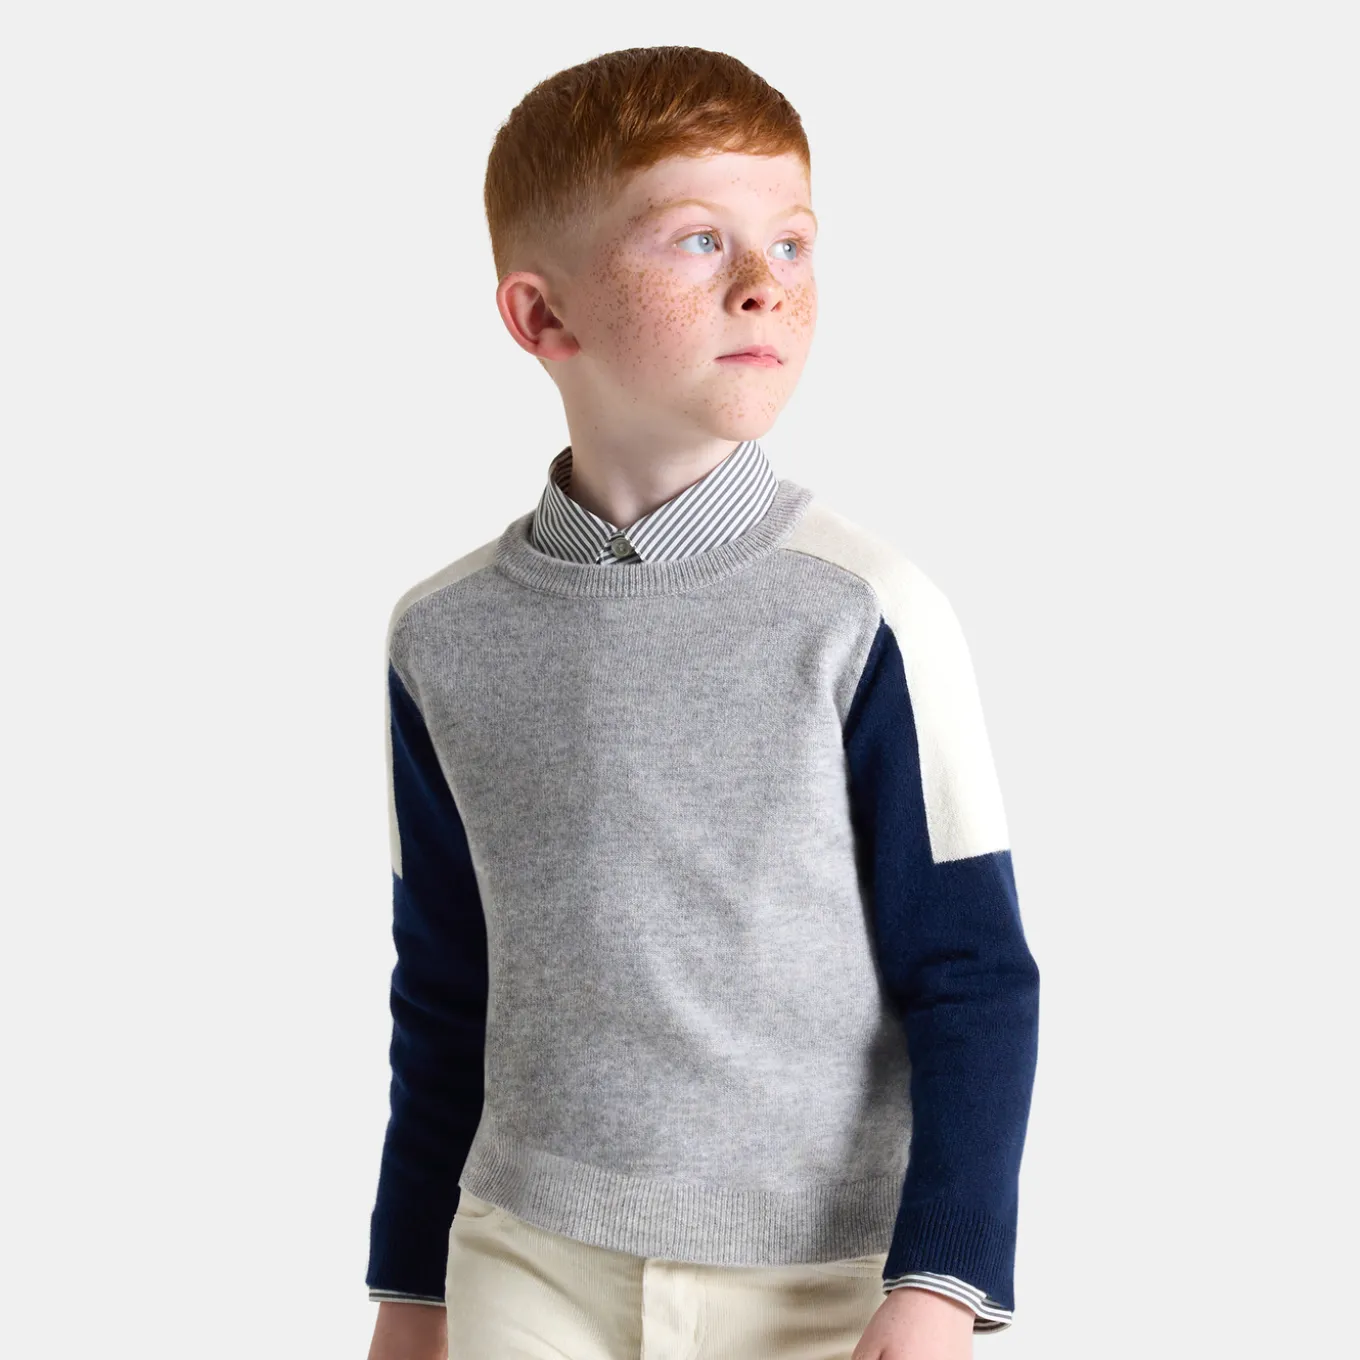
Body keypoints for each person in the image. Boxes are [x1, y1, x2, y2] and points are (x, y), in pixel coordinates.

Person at [363, 44, 1040, 1360]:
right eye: (696, 239)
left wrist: (943, 1283)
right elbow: (445, 985)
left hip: (820, 1280)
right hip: (525, 1257)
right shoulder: (440, 635)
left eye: (791, 242)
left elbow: (973, 973)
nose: (764, 283)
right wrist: (412, 1291)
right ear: (542, 318)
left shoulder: (866, 610)